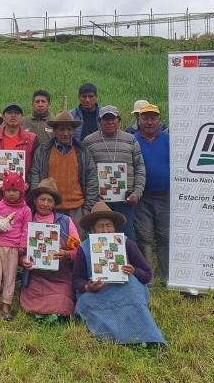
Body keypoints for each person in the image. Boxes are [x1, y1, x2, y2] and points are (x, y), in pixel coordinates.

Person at [73, 201, 166, 345]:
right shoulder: (84, 248)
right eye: (100, 226)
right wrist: (87, 287)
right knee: (85, 302)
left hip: (125, 289)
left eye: (109, 225)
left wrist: (133, 271)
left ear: (115, 228)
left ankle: (145, 335)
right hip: (98, 292)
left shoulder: (126, 244)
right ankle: (112, 335)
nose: (105, 230)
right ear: (92, 230)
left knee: (134, 291)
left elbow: (147, 275)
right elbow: (76, 279)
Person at [19, 178, 81, 320]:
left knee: (62, 301)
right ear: (35, 200)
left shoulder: (65, 221)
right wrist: (23, 260)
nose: (45, 204)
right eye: (42, 199)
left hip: (60, 277)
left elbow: (79, 251)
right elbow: (19, 250)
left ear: (54, 204)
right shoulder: (27, 220)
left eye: (50, 201)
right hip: (36, 275)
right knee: (31, 302)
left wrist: (66, 254)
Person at [83, 105, 145, 239]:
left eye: (113, 119)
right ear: (99, 122)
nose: (110, 122)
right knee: (101, 239)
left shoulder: (131, 139)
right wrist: (91, 197)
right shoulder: (89, 141)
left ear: (119, 121)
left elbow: (140, 167)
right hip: (99, 201)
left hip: (125, 200)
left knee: (125, 238)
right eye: (106, 119)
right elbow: (84, 172)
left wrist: (137, 193)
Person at [31, 110, 99, 229]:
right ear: (54, 131)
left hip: (76, 208)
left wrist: (88, 207)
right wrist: (38, 201)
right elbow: (35, 175)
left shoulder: (83, 152)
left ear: (74, 130)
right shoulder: (43, 151)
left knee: (74, 240)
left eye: (69, 129)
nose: (66, 133)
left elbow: (91, 179)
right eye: (61, 129)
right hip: (48, 207)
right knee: (48, 240)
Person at [0, 172, 32, 320]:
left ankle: (6, 304)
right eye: (8, 190)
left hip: (13, 248)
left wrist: (22, 247)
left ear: (21, 191)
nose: (11, 193)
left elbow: (26, 229)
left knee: (10, 277)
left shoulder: (25, 210)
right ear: (3, 190)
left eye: (15, 190)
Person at [132, 104, 170, 282]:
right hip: (142, 198)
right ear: (139, 120)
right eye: (145, 118)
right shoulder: (132, 140)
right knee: (144, 237)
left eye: (153, 118)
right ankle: (149, 278)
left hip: (166, 197)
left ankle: (167, 276)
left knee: (165, 237)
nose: (149, 122)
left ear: (159, 120)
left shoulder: (168, 139)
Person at [0, 103, 38, 202]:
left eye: (17, 113)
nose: (13, 115)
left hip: (23, 194)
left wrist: (28, 182)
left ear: (22, 117)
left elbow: (36, 165)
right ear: (3, 116)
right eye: (9, 113)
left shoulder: (32, 138)